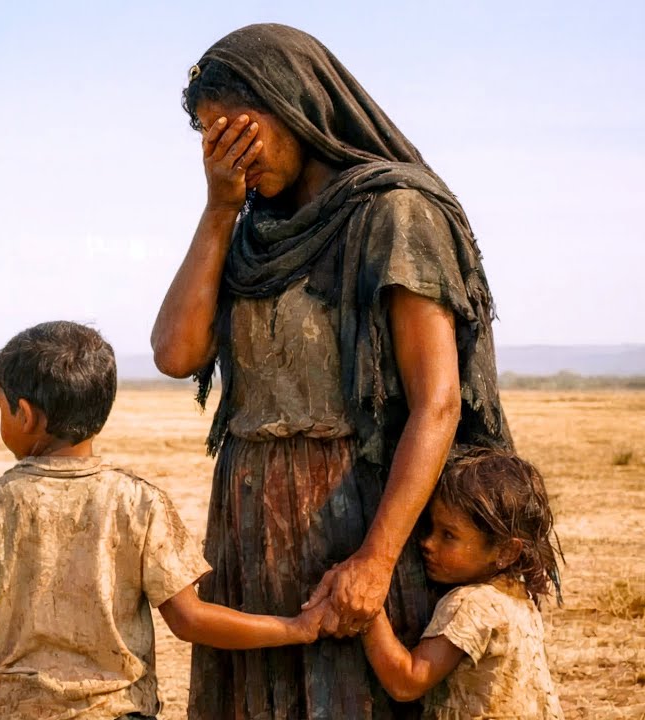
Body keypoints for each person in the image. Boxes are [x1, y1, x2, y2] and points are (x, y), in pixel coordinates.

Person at [150, 24, 512, 718]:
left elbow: (437, 401)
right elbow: (176, 354)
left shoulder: (394, 212)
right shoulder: (249, 229)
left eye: (240, 132)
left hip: (362, 515)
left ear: (294, 103)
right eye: (210, 138)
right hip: (250, 519)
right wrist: (219, 207)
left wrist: (375, 561)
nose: (228, 154)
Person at [0, 320, 328, 720]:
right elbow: (190, 620)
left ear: (25, 415)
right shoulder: (140, 502)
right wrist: (296, 628)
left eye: (1, 405)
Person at [356, 447, 565, 719]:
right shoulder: (519, 599)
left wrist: (368, 609)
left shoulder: (471, 604)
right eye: (430, 528)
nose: (427, 543)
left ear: (505, 552)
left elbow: (406, 683)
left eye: (448, 535)